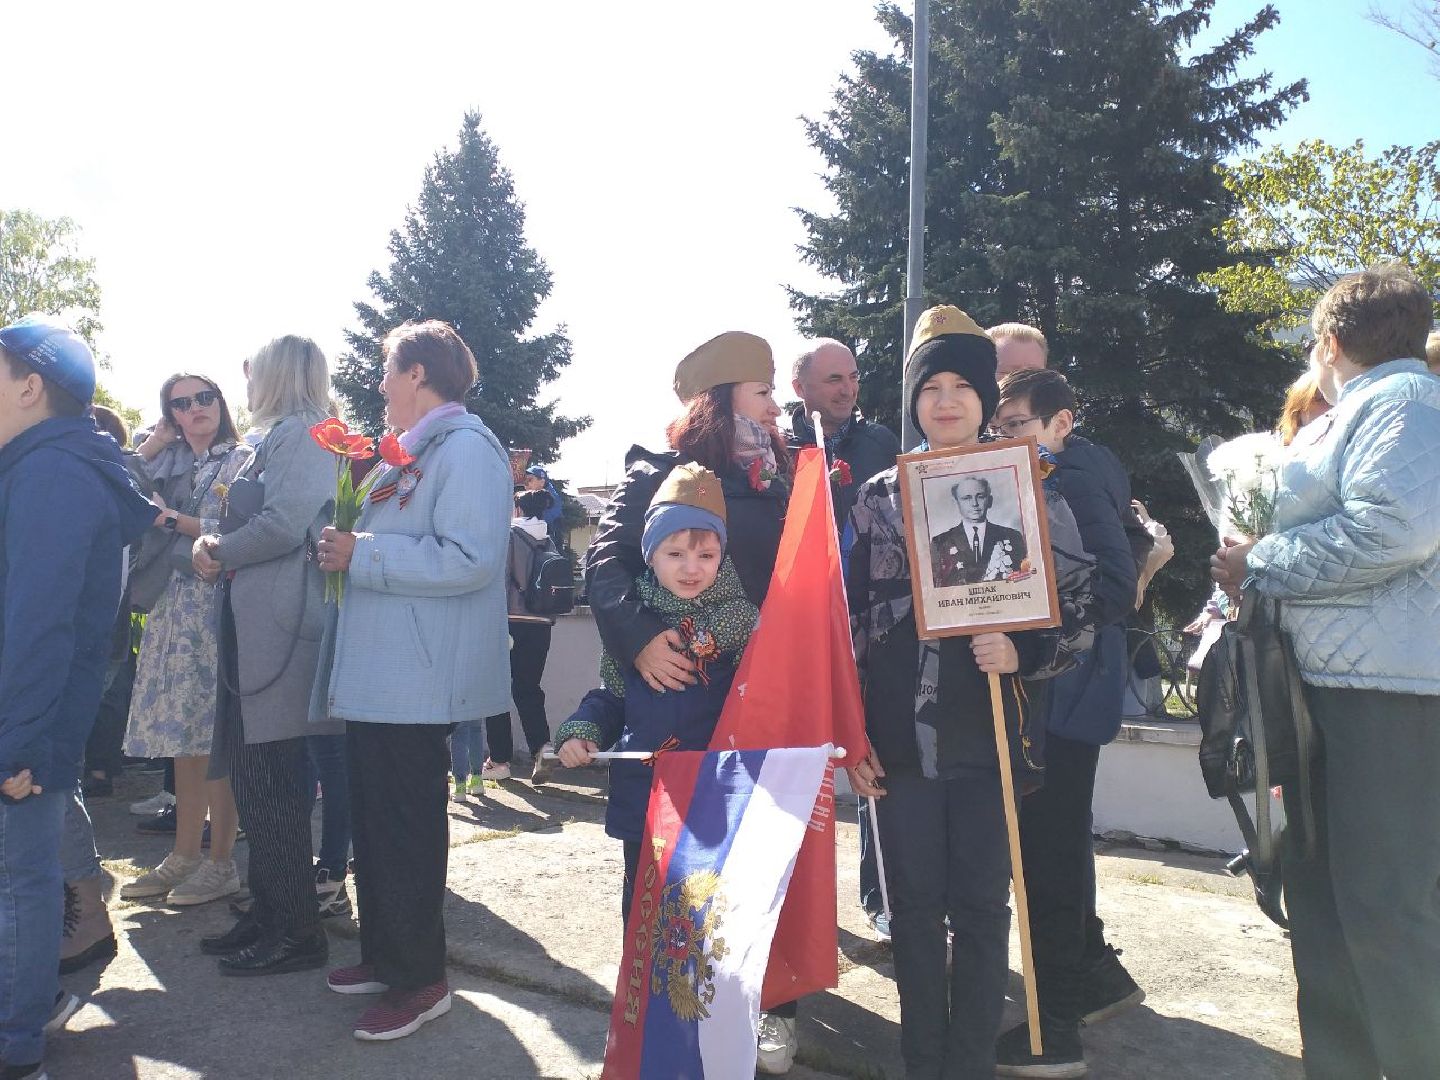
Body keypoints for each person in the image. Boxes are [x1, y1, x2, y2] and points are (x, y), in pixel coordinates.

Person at [844, 305, 1095, 1080]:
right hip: (902, 744)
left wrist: (1022, 650)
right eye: (931, 387)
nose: (946, 401)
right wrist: (852, 734)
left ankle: (970, 1064)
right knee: (914, 912)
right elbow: (851, 624)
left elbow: (1078, 612)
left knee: (984, 911)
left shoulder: (1029, 487)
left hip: (990, 741)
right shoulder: (879, 495)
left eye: (962, 385)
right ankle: (923, 1061)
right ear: (912, 400)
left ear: (986, 397)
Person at [1210, 264, 1440, 1080]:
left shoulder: (1403, 403)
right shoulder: (1378, 408)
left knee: (1383, 910)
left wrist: (1261, 560)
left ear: (1332, 342)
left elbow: (1395, 532)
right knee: (1323, 905)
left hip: (1385, 699)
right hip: (1332, 688)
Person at [583, 331, 799, 1073]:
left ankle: (770, 1007)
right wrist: (640, 641)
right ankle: (656, 1012)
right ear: (722, 399)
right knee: (666, 866)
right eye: (762, 392)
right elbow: (606, 565)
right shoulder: (654, 470)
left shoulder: (783, 477)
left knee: (760, 857)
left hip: (764, 690)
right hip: (676, 691)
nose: (775, 406)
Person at [314, 320, 511, 1041]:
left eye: (387, 370)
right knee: (377, 823)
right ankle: (386, 957)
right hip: (387, 677)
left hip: (417, 679)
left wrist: (360, 554)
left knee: (406, 828)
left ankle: (422, 981)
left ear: (418, 374)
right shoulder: (415, 451)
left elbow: (470, 558)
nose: (379, 384)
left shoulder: (467, 450)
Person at [0, 315, 156, 1080]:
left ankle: (14, 1044)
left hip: (24, 725)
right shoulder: (38, 465)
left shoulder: (53, 475)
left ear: (30, 386)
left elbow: (39, 625)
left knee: (16, 882)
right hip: (26, 716)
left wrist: (18, 744)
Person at [987, 368, 1138, 1077]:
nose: (1005, 438)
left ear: (1060, 423)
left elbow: (1114, 585)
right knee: (1058, 854)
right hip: (1060, 693)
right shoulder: (1079, 467)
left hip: (1059, 695)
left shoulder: (1069, 475)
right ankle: (1091, 986)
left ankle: (1054, 1032)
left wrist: (1037, 641)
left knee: (1047, 860)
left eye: (1017, 425)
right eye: (999, 428)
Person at [192, 336, 337, 977]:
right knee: (257, 780)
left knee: (271, 782)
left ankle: (296, 931)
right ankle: (273, 912)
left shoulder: (304, 434)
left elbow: (281, 524)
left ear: (277, 375)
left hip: (280, 629)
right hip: (260, 624)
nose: (245, 382)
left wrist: (216, 549)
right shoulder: (283, 435)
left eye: (254, 372)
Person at [555, 463, 757, 911]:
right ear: (650, 555)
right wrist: (581, 732)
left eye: (706, 555)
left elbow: (763, 702)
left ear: (722, 557)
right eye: (675, 553)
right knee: (644, 907)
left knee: (713, 913)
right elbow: (611, 698)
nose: (691, 568)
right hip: (646, 795)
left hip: (716, 795)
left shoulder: (744, 625)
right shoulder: (632, 629)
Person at [120, 374, 252, 908]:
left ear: (221, 402)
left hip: (214, 605)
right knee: (182, 741)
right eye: (181, 403)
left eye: (204, 397)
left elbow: (234, 526)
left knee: (212, 739)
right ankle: (184, 855)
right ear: (170, 414)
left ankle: (221, 862)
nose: (195, 407)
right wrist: (153, 442)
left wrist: (170, 518)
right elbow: (119, 481)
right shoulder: (169, 460)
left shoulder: (241, 458)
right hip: (171, 608)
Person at [785, 337, 900, 942]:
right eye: (833, 378)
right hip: (797, 629)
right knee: (794, 767)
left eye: (852, 377)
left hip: (867, 627)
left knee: (870, 756)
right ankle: (792, 908)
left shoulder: (881, 444)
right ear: (799, 386)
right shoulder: (774, 449)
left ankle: (882, 897)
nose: (847, 388)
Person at [463, 487, 559, 791]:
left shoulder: (508, 537)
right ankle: (542, 747)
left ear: (517, 509)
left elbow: (496, 581)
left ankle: (499, 761)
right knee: (528, 687)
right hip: (541, 624)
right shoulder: (549, 539)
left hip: (509, 622)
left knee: (497, 689)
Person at [929, 476, 1028, 587]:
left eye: (980, 497)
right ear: (956, 503)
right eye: (966, 498)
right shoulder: (940, 543)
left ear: (989, 501)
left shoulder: (1012, 537)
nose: (974, 503)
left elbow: (1024, 580)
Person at [523, 465, 565, 545]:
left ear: (542, 482)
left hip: (547, 544)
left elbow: (541, 521)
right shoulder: (530, 496)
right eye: (525, 480)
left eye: (530, 480)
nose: (526, 484)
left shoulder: (550, 498)